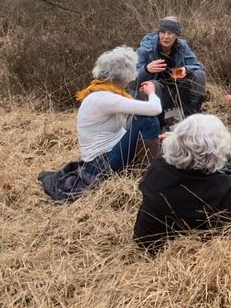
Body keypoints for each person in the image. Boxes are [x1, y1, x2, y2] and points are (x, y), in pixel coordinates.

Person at [38, 47, 162, 201]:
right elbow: (155, 108)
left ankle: (147, 170)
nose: (132, 77)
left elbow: (118, 134)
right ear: (122, 75)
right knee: (148, 120)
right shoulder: (105, 98)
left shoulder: (103, 93)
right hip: (100, 165)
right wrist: (152, 93)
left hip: (104, 156)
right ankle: (150, 179)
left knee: (149, 129)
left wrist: (146, 140)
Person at [133, 114, 231, 255]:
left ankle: (228, 166)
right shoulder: (223, 187)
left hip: (147, 246)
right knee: (226, 171)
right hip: (190, 255)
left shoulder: (157, 168)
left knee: (216, 170)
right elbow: (224, 237)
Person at [134, 16, 206, 125]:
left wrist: (185, 70)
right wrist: (147, 70)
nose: (166, 37)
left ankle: (191, 114)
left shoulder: (182, 46)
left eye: (170, 33)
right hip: (153, 94)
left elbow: (198, 67)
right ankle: (156, 123)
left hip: (176, 87)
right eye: (162, 32)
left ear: (176, 35)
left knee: (199, 75)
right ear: (158, 33)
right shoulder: (145, 50)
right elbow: (132, 82)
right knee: (153, 84)